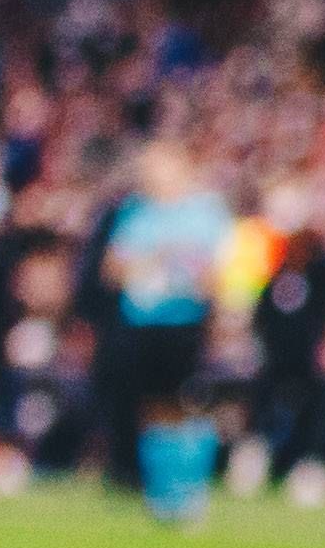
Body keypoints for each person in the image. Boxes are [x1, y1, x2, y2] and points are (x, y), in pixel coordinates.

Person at [91, 143, 231, 494]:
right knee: (137, 401)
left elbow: (216, 272)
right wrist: (149, 263)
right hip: (140, 321)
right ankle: (139, 475)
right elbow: (113, 268)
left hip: (184, 320)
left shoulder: (205, 212)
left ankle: (178, 477)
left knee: (177, 403)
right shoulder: (135, 211)